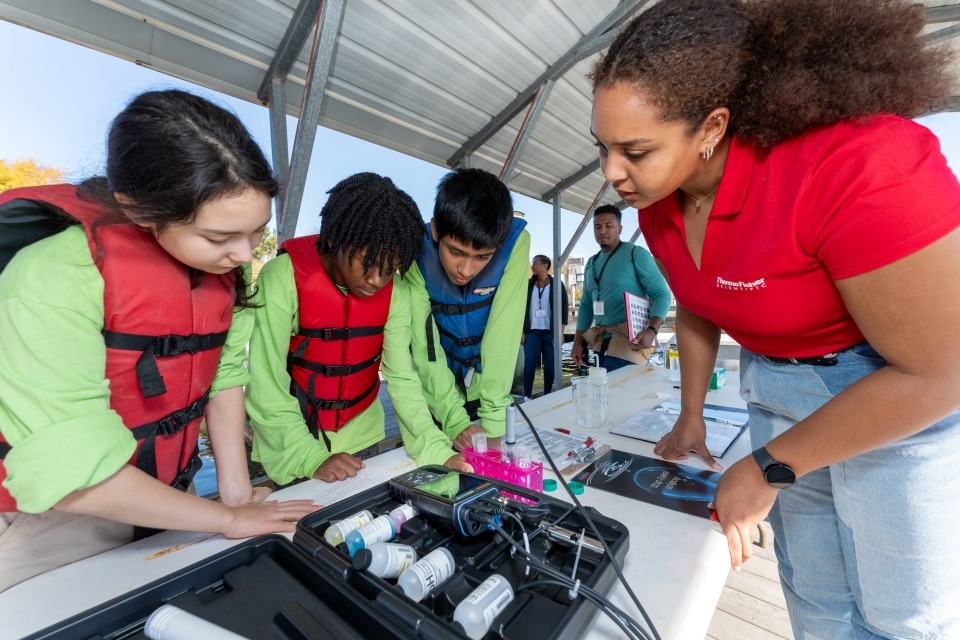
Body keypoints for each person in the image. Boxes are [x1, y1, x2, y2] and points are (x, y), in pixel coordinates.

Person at [589, 1, 960, 638]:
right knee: (814, 601)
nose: (611, 173)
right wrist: (691, 413)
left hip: (899, 409)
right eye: (601, 148)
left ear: (712, 125)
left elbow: (942, 370)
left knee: (904, 619)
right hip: (776, 396)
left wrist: (769, 467)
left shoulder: (857, 165)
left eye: (635, 150)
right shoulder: (657, 205)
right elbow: (701, 307)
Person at [0, 90, 318, 593]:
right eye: (218, 238)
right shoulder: (49, 277)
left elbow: (224, 375)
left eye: (257, 232)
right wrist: (226, 521)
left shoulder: (222, 274)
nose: (242, 254)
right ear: (140, 208)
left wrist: (236, 497)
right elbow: (71, 472)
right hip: (53, 519)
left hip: (174, 492)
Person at [245, 172, 470, 486]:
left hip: (366, 438)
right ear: (336, 239)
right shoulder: (283, 277)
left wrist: (436, 448)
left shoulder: (398, 291)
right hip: (294, 443)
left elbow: (403, 378)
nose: (377, 279)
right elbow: (265, 381)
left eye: (390, 268)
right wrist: (309, 456)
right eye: (367, 263)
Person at [391, 168, 530, 452]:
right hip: (438, 384)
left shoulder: (517, 243)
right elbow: (423, 345)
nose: (465, 270)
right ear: (435, 230)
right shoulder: (414, 251)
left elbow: (504, 333)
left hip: (488, 384)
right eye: (455, 252)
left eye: (483, 257)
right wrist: (454, 420)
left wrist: (492, 424)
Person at [571, 204, 671, 372]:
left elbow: (661, 294)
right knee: (601, 393)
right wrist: (577, 343)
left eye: (608, 226)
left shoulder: (635, 254)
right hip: (599, 342)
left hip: (629, 341)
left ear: (620, 228)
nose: (603, 230)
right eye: (598, 227)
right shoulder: (591, 263)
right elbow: (586, 306)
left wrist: (652, 330)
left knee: (623, 394)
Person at [521, 254, 569, 398]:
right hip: (531, 332)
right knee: (529, 365)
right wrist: (521, 331)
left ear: (545, 266)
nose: (532, 266)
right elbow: (521, 308)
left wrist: (560, 333)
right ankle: (527, 396)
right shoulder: (528, 285)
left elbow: (564, 309)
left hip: (550, 331)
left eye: (535, 263)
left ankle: (548, 394)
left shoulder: (557, 284)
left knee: (550, 365)